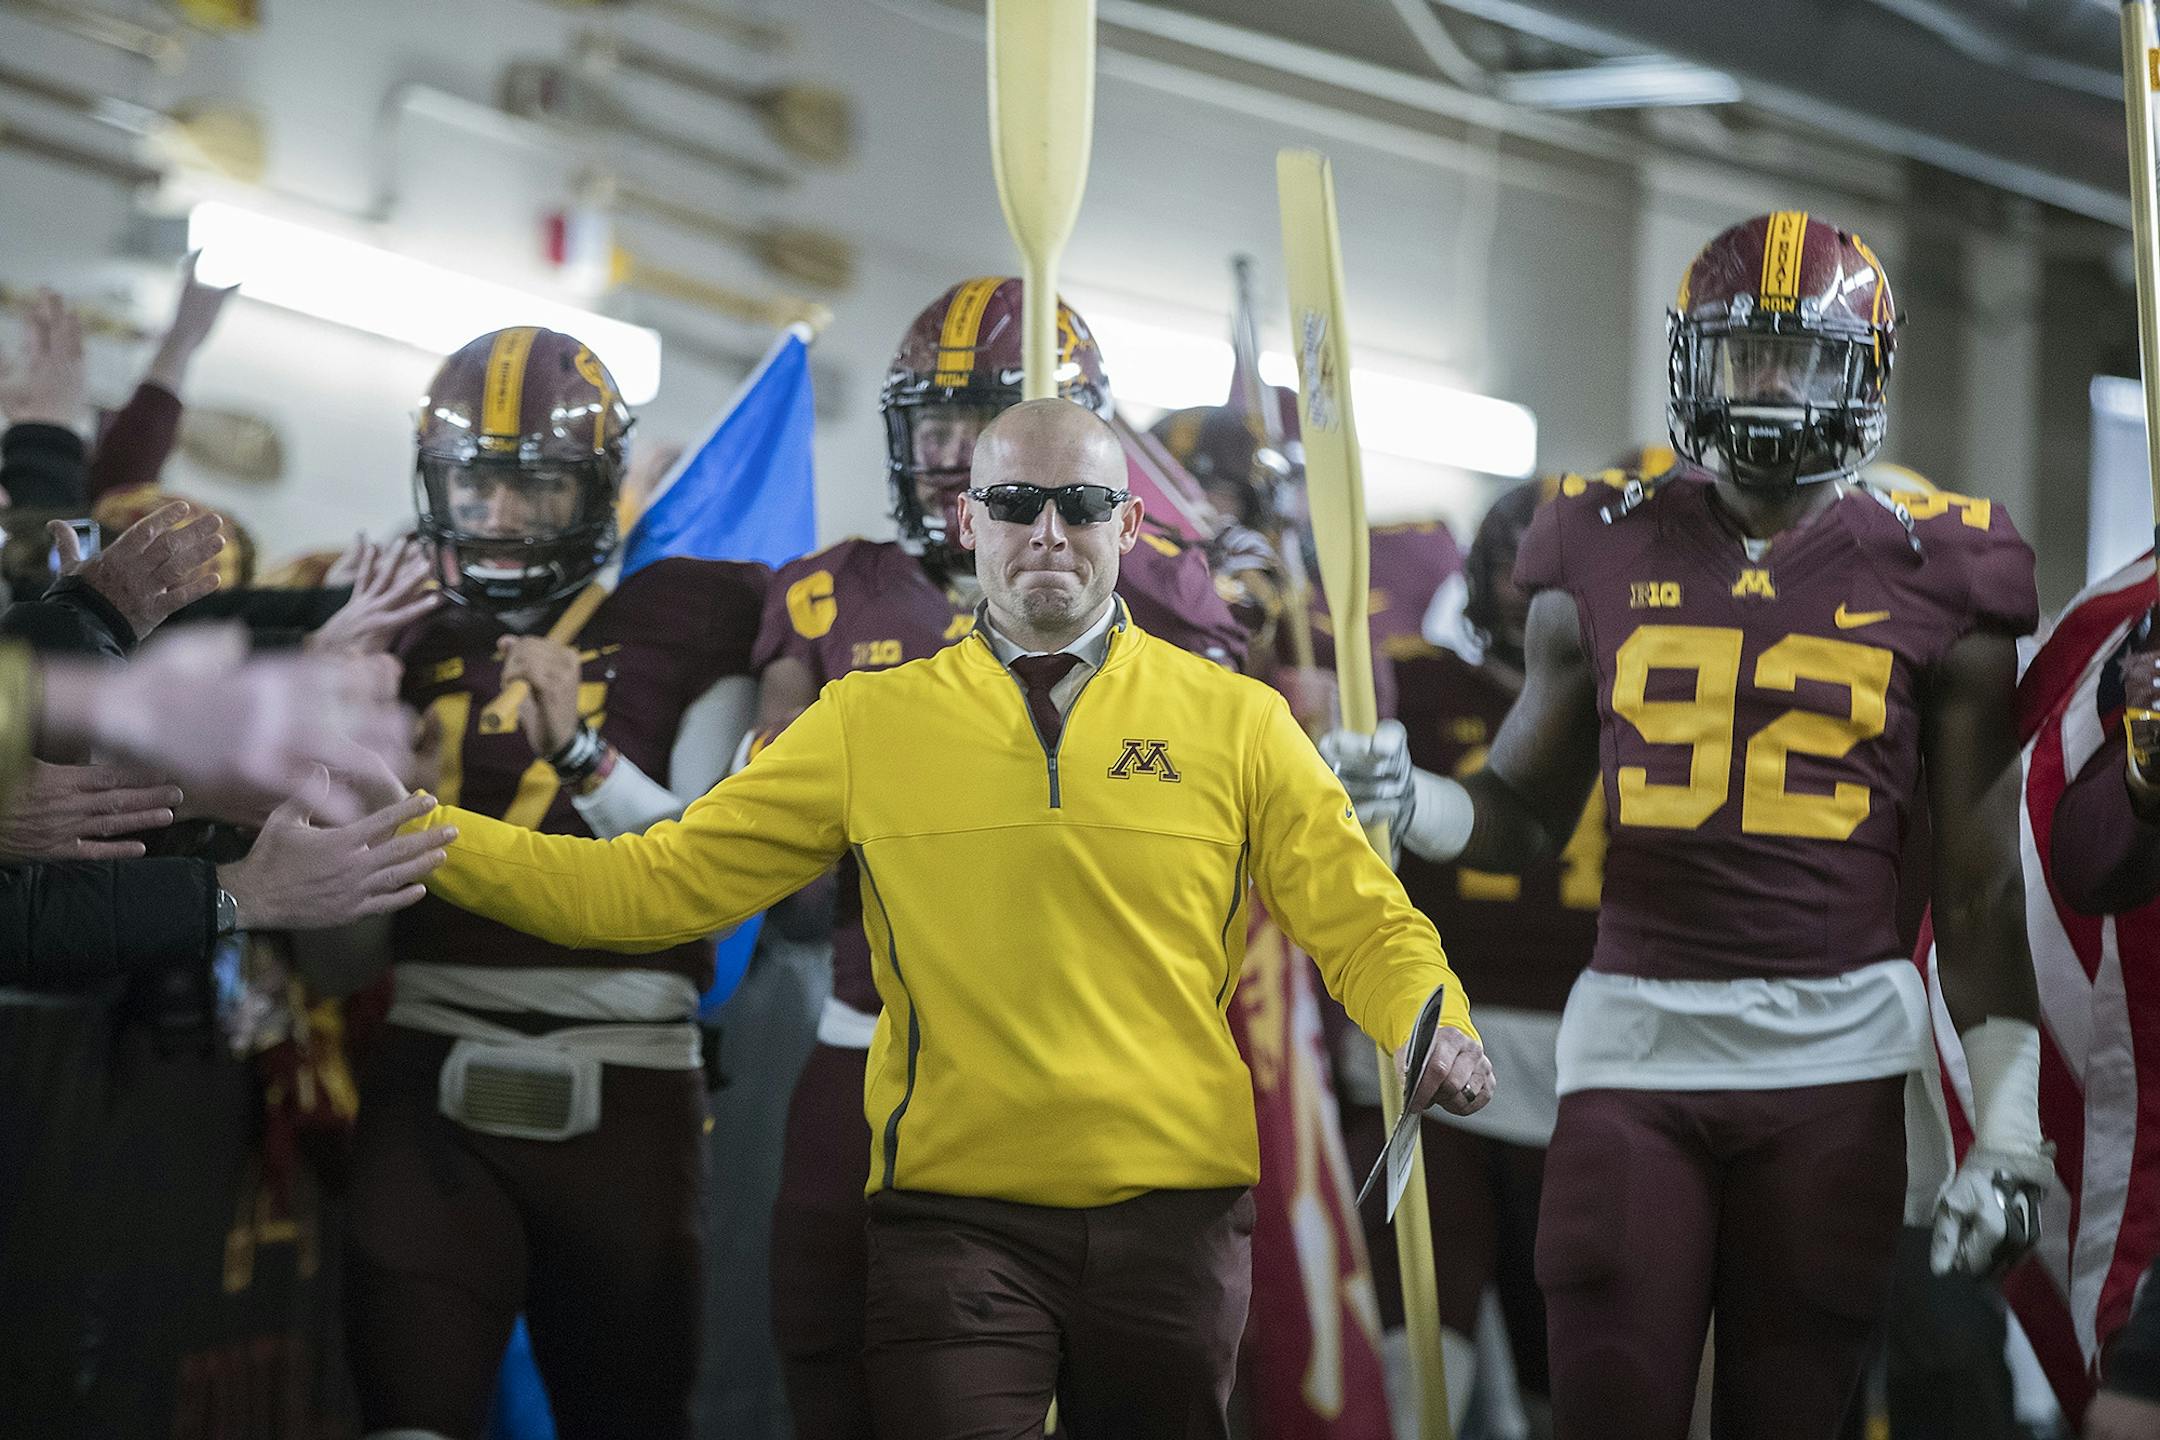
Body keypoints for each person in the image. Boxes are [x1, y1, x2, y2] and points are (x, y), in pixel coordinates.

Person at [389, 396, 1493, 1439]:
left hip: (1178, 1219)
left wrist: (1432, 1021)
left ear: (1131, 524)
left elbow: (1361, 918)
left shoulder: (1237, 723)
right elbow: (649, 887)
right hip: (954, 1225)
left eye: (1081, 506)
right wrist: (410, 834)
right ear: (969, 521)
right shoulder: (869, 723)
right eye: (1015, 506)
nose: (1047, 534)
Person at [1328, 212, 2047, 1439]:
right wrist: (1419, 802)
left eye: (1801, 360)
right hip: (1632, 1049)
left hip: (1836, 1060)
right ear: (1687, 362)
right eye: (1741, 356)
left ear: (1864, 373)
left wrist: (2013, 1131)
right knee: (1607, 1403)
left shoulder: (1945, 568)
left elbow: (1978, 892)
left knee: (1790, 1411)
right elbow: (1516, 820)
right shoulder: (1601, 538)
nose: (1767, 389)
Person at [754, 275, 1248, 1440]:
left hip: (1100, 1064)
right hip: (869, 1034)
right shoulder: (830, 593)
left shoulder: (1171, 596)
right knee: (823, 1334)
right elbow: (762, 863)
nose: (957, 456)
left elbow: (1238, 817)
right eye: (939, 426)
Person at [338, 325, 768, 1440]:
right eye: (475, 484)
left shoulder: (686, 613)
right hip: (428, 1079)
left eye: (534, 489)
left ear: (597, 487)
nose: (497, 518)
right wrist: (349, 802)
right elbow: (332, 961)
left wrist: (581, 753)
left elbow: (703, 871)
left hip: (623, 1086)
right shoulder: (404, 630)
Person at [1327, 477, 1599, 1436]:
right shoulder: (1412, 679)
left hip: (1594, 1067)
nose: (1526, 593)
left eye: (1547, 572)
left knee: (1577, 1379)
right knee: (1415, 1366)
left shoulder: (1645, 696)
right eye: (1511, 567)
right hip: (1444, 1048)